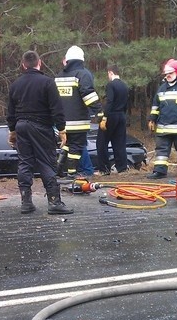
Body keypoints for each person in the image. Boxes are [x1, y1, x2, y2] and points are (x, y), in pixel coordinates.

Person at [7, 50, 73, 215]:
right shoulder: (47, 83)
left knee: (24, 163)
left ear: (23, 65)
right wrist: (62, 130)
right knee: (46, 162)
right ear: (39, 63)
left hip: (21, 126)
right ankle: (54, 202)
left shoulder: (15, 85)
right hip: (41, 127)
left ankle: (26, 203)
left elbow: (10, 112)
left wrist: (12, 131)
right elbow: (57, 109)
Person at [55, 45, 103, 178]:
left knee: (67, 145)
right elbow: (88, 95)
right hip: (78, 121)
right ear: (81, 59)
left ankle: (58, 169)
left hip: (63, 121)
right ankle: (72, 173)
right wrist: (99, 112)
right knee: (76, 147)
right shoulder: (83, 74)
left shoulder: (59, 76)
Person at [95, 65, 129, 175]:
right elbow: (126, 103)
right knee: (119, 142)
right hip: (122, 115)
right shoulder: (124, 86)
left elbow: (110, 101)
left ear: (110, 73)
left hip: (111, 115)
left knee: (101, 142)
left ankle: (104, 169)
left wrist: (104, 117)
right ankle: (122, 167)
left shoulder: (111, 85)